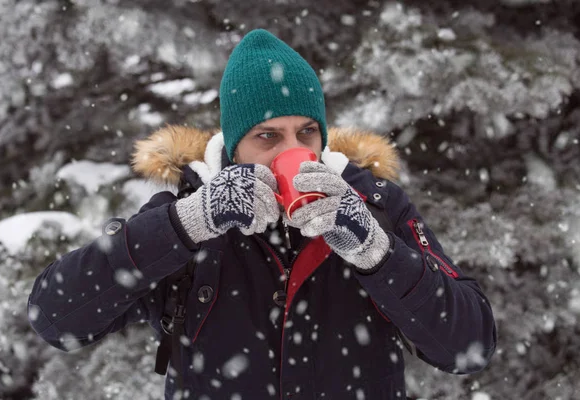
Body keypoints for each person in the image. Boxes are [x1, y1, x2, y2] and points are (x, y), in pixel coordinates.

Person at [28, 29, 497, 399]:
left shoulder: (377, 207)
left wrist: (376, 252)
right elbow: (55, 318)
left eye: (307, 131)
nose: (293, 151)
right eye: (268, 137)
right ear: (234, 149)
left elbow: (469, 346)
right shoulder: (185, 215)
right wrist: (190, 223)